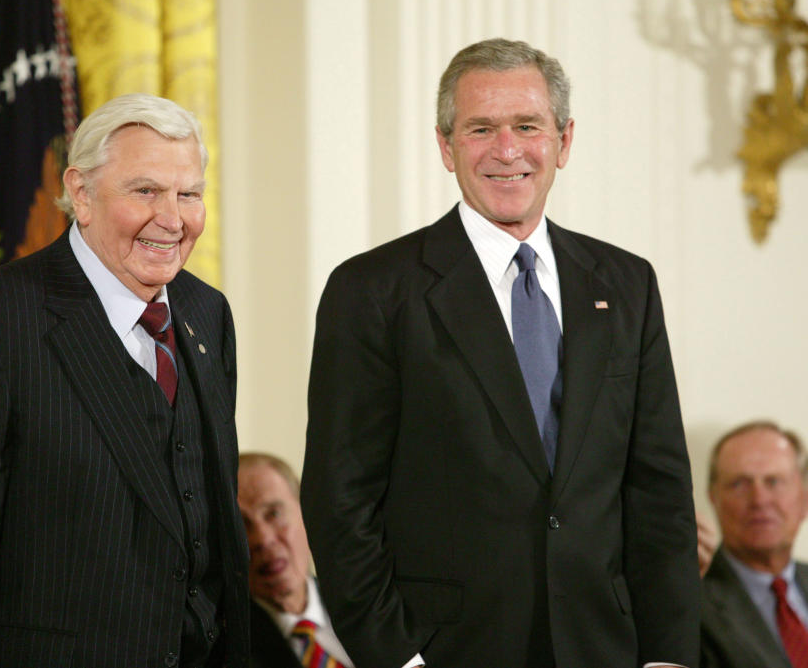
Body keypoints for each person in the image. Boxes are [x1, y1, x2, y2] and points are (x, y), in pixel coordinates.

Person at [301, 38, 698, 668]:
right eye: (480, 128)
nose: (506, 150)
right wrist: (397, 659)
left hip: (606, 647)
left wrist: (669, 655)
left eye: (527, 126)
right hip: (448, 650)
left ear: (564, 142)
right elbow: (339, 502)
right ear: (446, 146)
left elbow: (660, 492)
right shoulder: (373, 289)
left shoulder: (625, 283)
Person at [0, 93, 249, 668]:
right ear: (80, 193)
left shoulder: (208, 313)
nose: (173, 219)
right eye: (146, 191)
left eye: (189, 194)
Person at [701, 421, 808, 668]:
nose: (760, 500)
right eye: (739, 484)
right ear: (713, 497)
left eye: (774, 481)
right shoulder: (692, 604)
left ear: (803, 498)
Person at [237, 452, 354, 668]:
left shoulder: (364, 606)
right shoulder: (228, 649)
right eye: (241, 526)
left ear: (307, 515)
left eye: (273, 513)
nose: (262, 539)